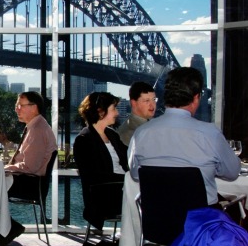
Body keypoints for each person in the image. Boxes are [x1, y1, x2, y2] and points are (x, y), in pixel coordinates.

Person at [129, 67, 240, 206]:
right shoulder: (210, 134)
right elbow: (232, 172)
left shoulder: (140, 133)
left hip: (158, 223)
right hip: (200, 224)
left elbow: (135, 174)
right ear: (196, 98)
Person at [0, 91, 57, 246]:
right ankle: (4, 229)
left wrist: (5, 167)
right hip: (29, 180)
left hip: (31, 183)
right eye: (16, 106)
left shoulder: (37, 130)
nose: (16, 109)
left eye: (20, 105)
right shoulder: (35, 126)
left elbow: (30, 166)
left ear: (34, 107)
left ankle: (8, 228)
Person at [73, 92, 128, 231]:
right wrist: (128, 180)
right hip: (104, 196)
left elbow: (128, 160)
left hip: (122, 188)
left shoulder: (112, 134)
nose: (116, 113)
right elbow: (94, 177)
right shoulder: (84, 140)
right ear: (100, 111)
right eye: (113, 109)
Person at [117, 81, 157, 146]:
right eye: (147, 101)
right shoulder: (128, 133)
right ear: (134, 103)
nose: (152, 105)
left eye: (154, 99)